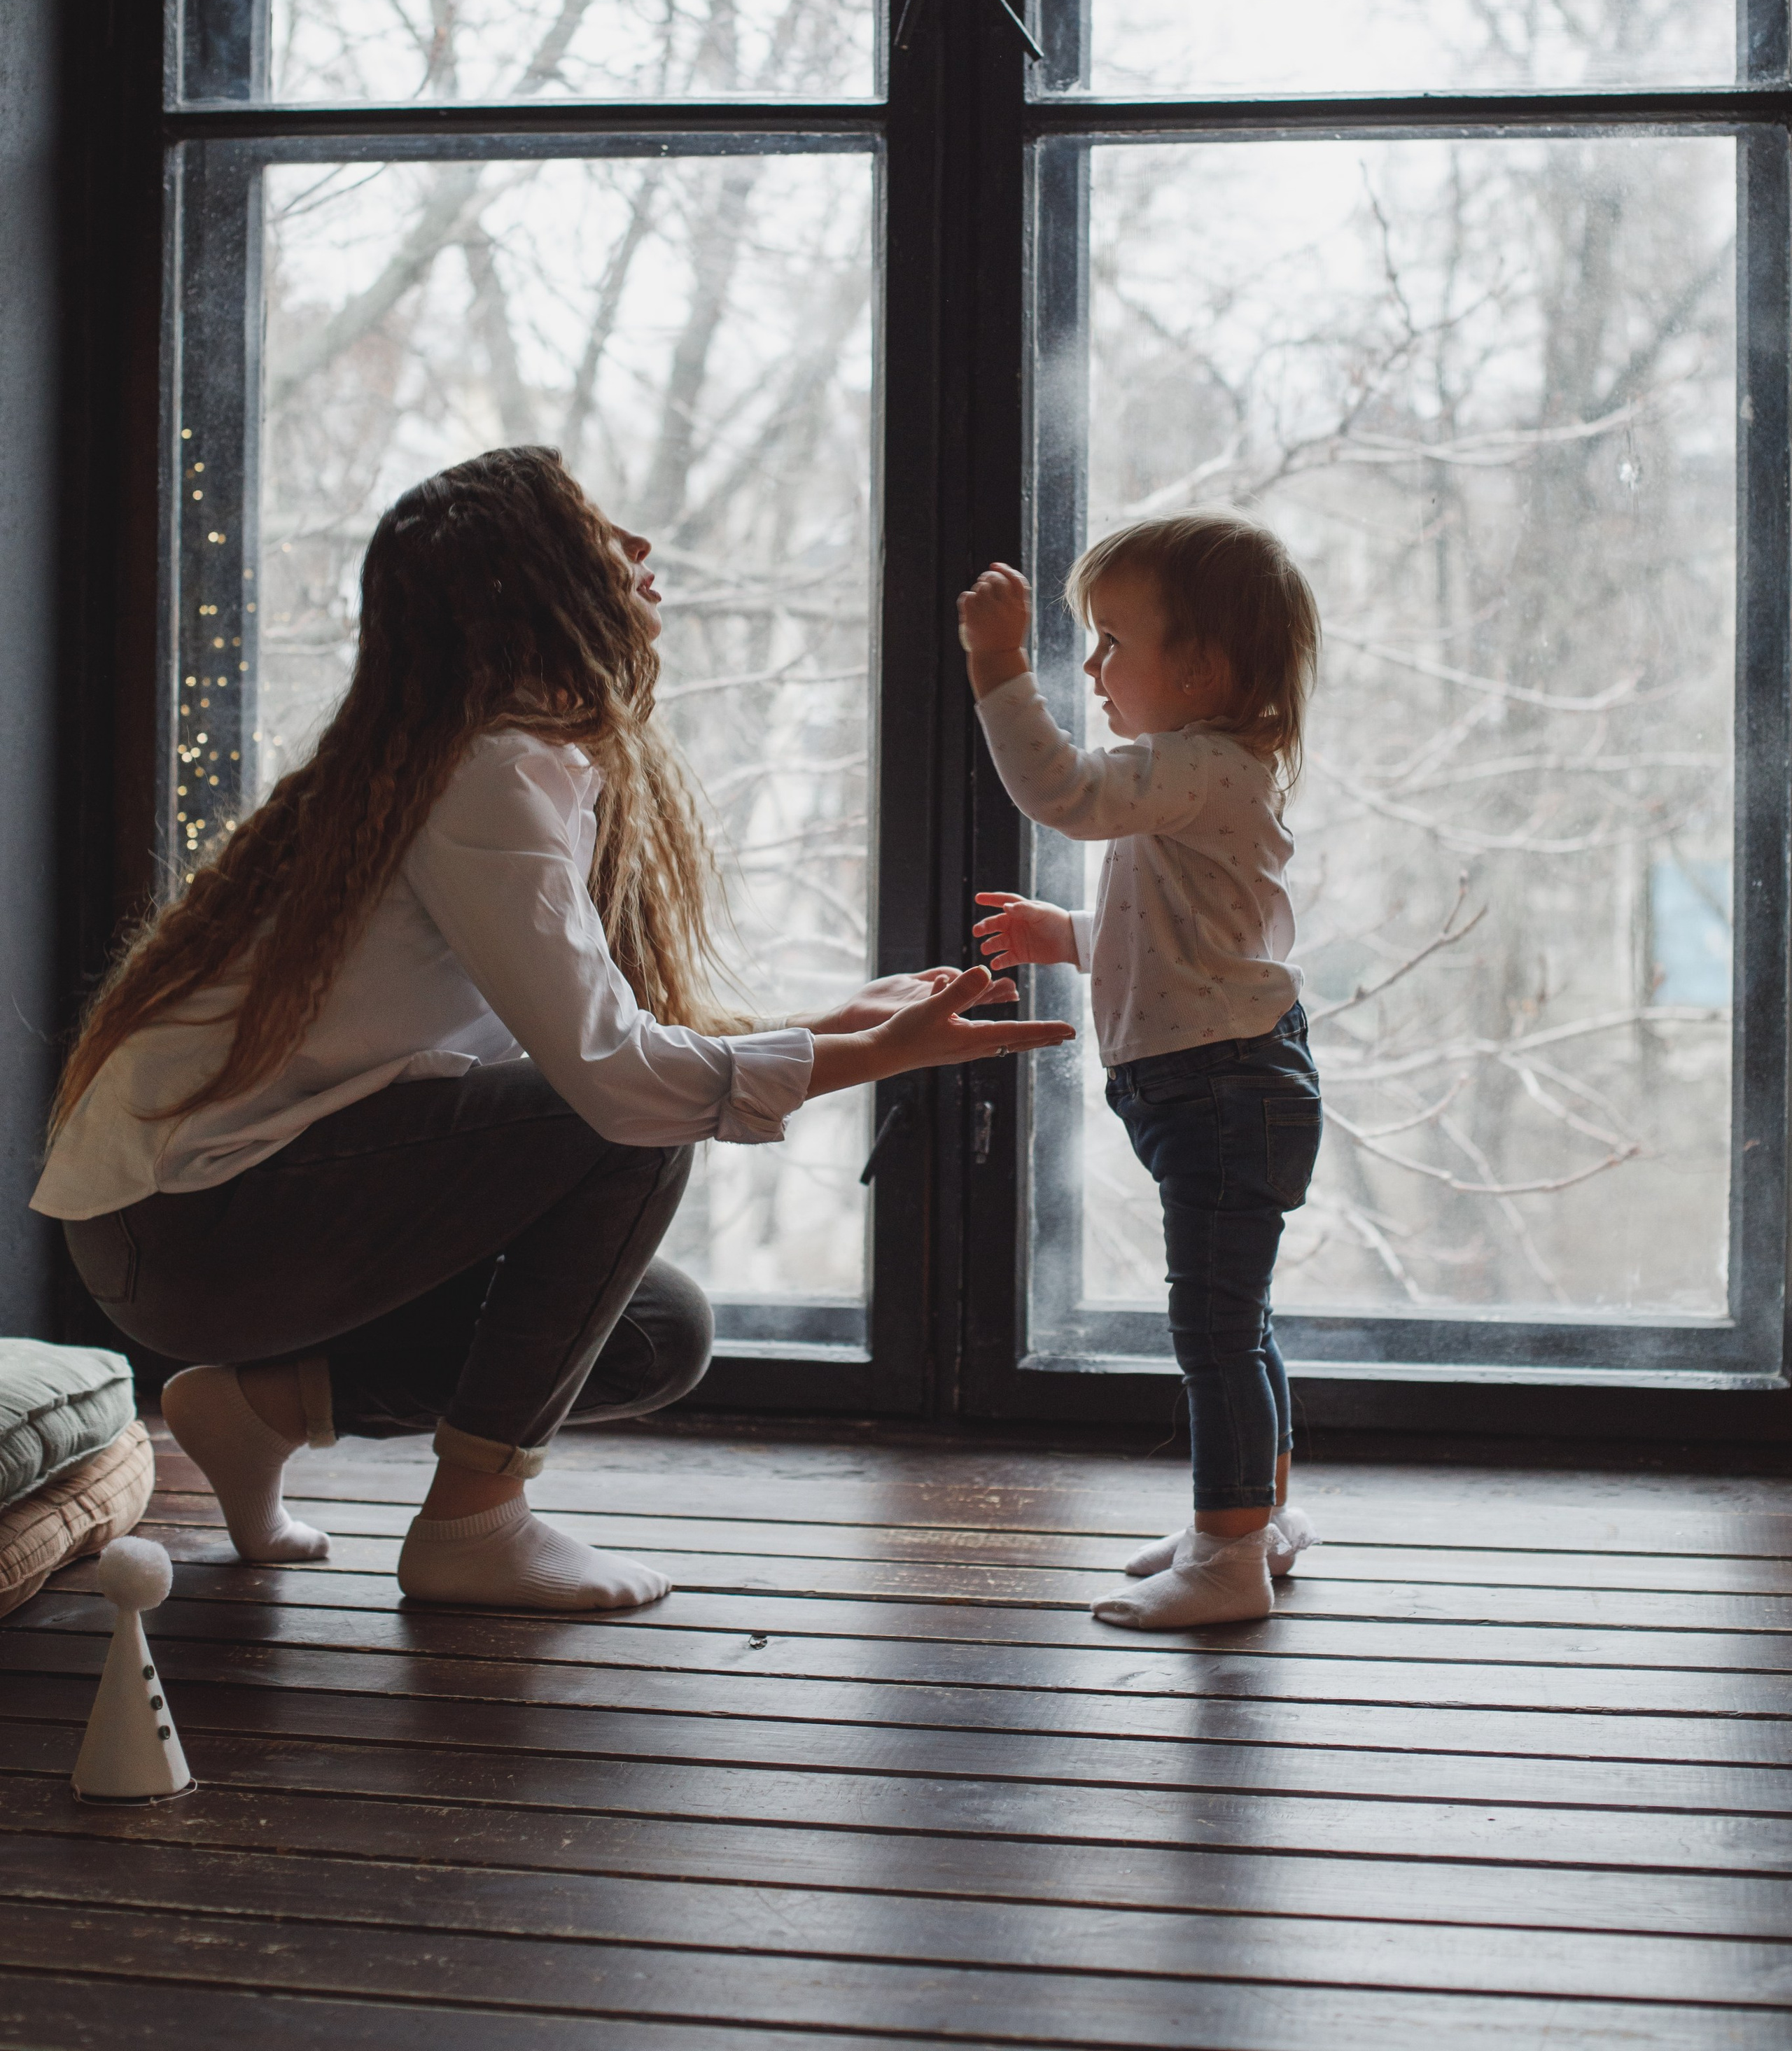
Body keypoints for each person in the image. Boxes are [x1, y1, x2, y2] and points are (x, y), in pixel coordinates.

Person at [36, 447, 1073, 1617]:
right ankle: (474, 1525)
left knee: (655, 1331)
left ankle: (264, 1407)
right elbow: (621, 1091)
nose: (637, 549)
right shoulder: (487, 772)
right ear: (527, 583)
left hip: (212, 1229)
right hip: (191, 1232)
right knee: (626, 1128)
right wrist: (866, 1061)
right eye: (597, 531)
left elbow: (602, 1041)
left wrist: (828, 1026)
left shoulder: (503, 762)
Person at [958, 512, 1323, 1629]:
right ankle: (1251, 1517)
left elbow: (1060, 790)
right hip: (1221, 1083)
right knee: (1237, 1322)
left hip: (1220, 1091)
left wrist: (996, 667)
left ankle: (1227, 1559)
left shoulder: (1199, 768)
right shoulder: (1203, 780)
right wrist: (1063, 931)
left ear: (1204, 669)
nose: (1093, 666)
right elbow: (1171, 938)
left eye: (1114, 640)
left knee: (1214, 1329)